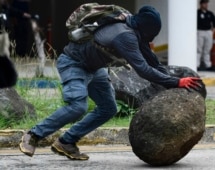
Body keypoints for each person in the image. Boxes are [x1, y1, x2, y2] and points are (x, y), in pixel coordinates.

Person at [19, 5, 202, 160]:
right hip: (74, 64)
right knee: (77, 106)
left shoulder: (134, 27)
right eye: (153, 33)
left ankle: (66, 142)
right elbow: (143, 70)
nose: (152, 38)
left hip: (95, 68)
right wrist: (177, 82)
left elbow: (152, 61)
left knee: (109, 108)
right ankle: (33, 135)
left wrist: (172, 83)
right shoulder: (125, 35)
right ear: (148, 29)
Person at [197, 0, 215, 71]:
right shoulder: (197, 13)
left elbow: (214, 23)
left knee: (207, 49)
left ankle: (208, 65)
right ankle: (197, 65)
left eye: (206, 3)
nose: (206, 5)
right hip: (200, 31)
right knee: (198, 49)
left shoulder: (210, 13)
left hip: (208, 32)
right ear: (201, 4)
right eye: (204, 3)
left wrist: (212, 32)